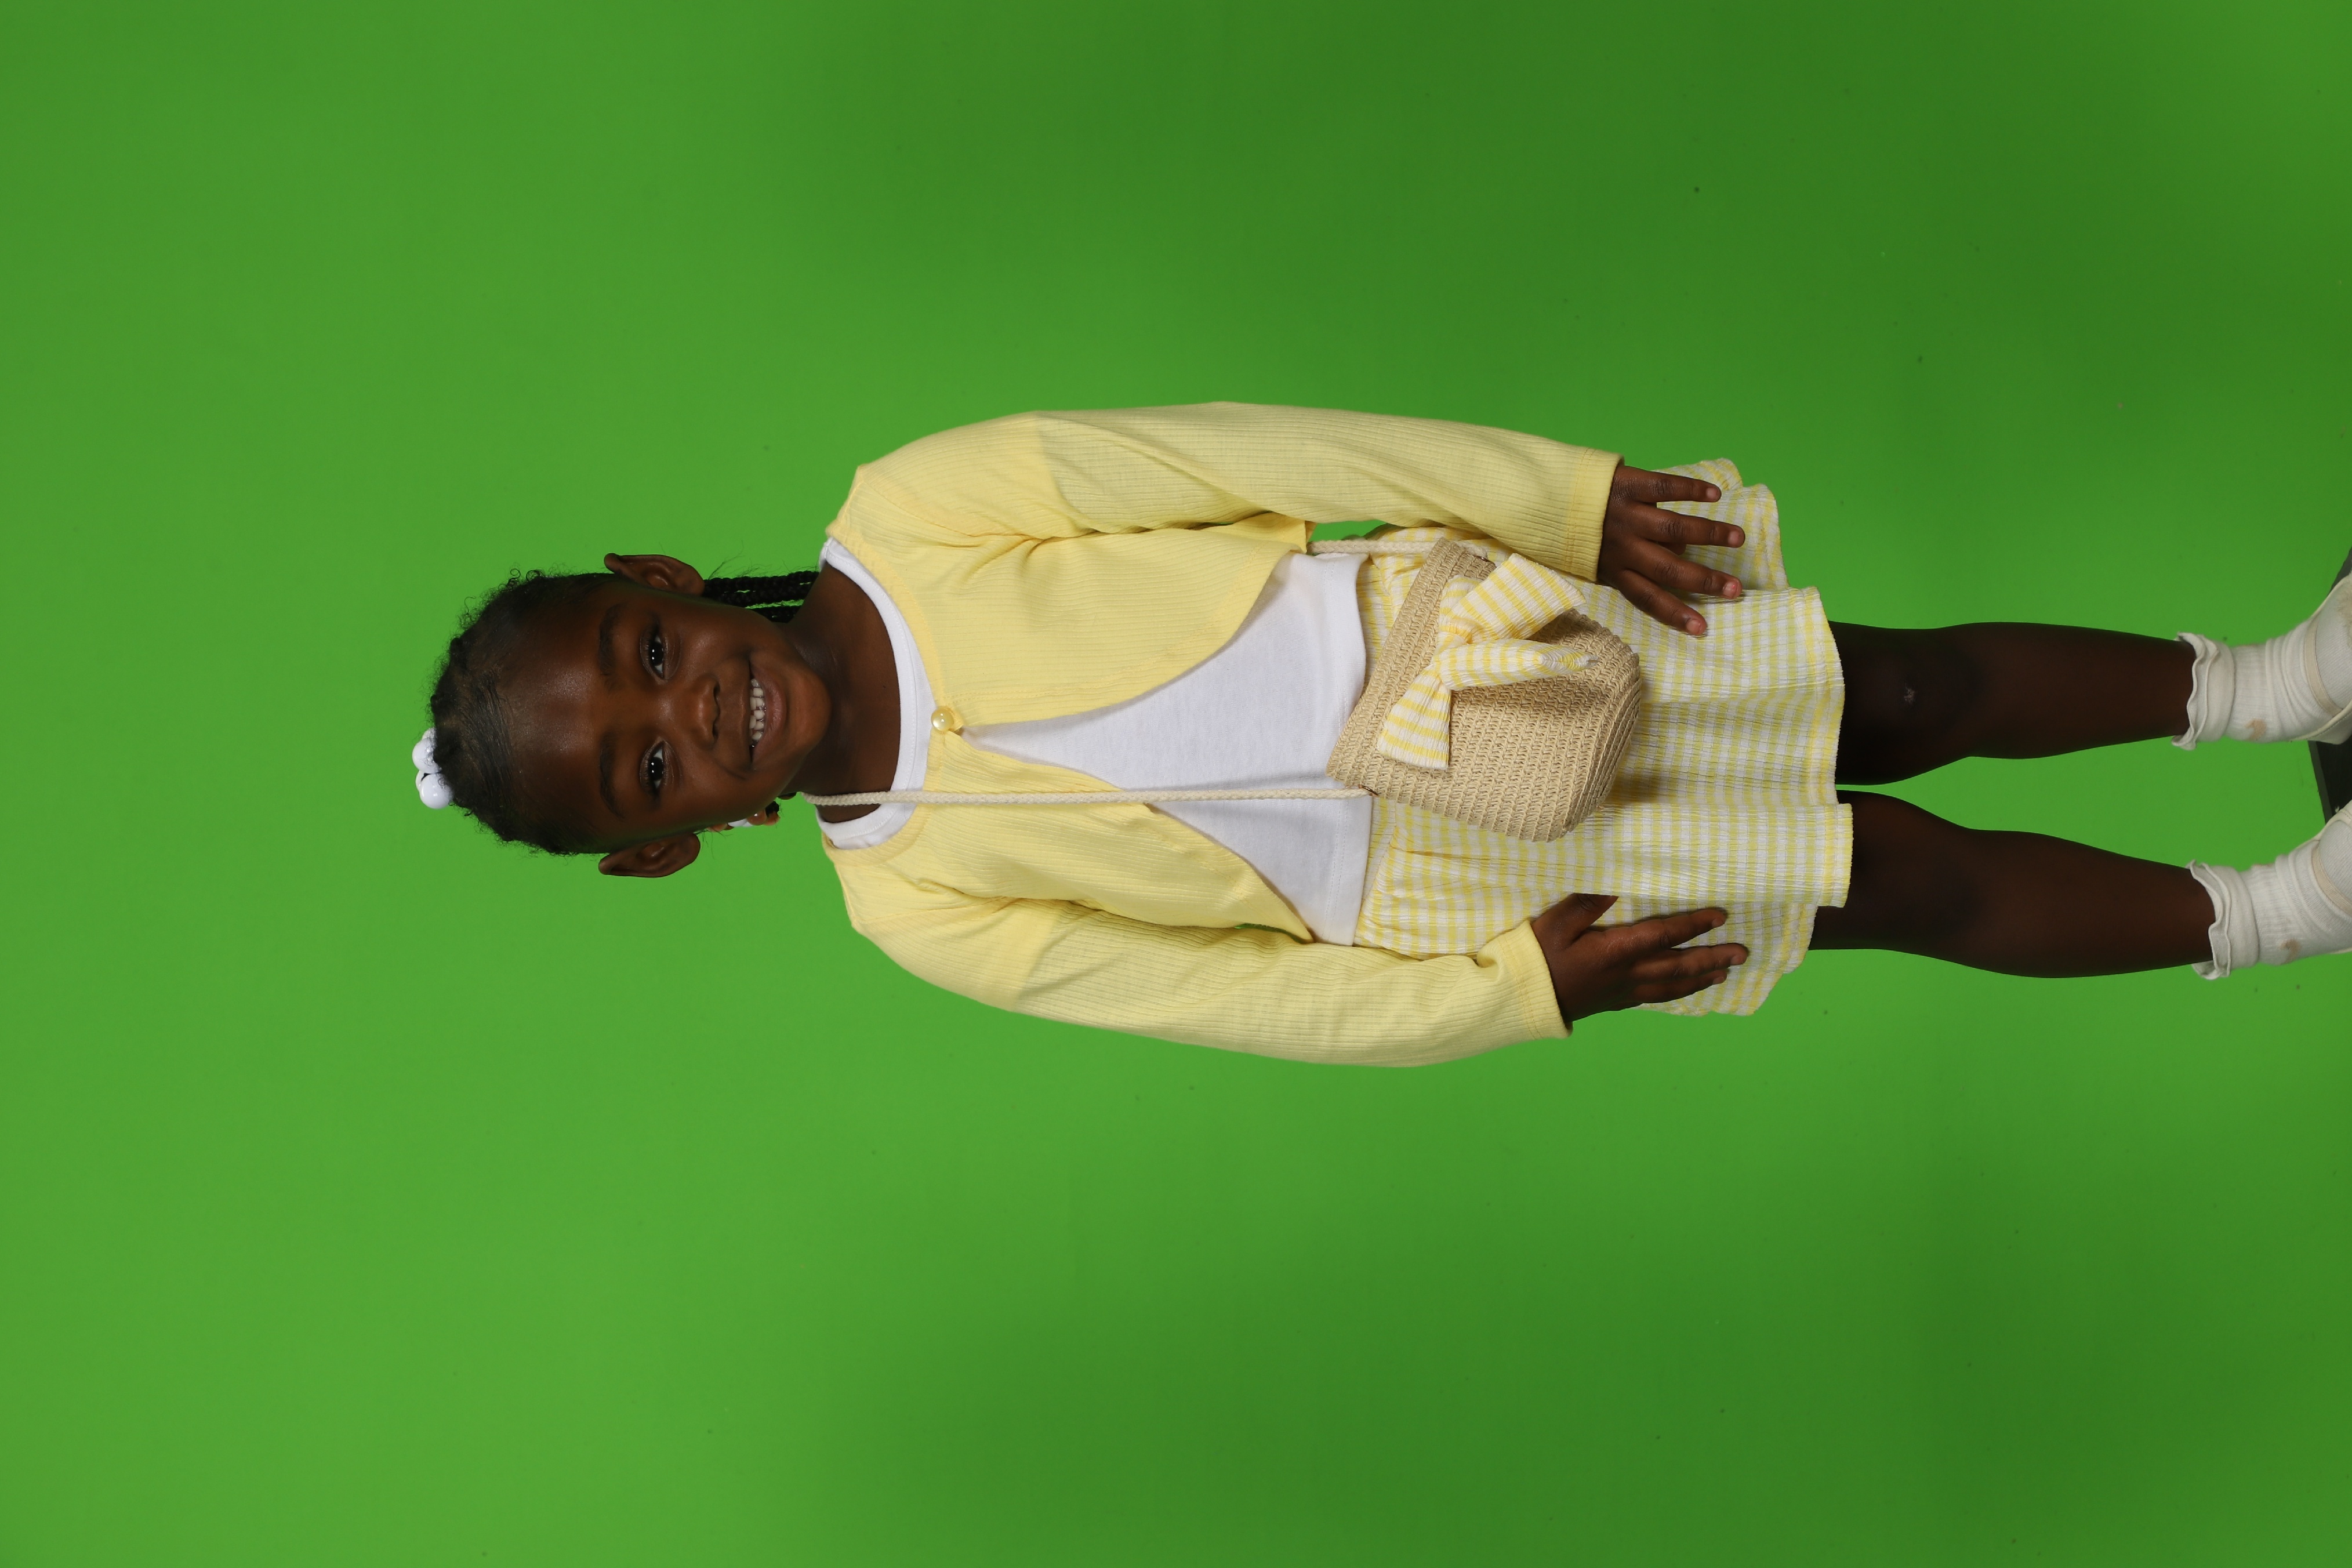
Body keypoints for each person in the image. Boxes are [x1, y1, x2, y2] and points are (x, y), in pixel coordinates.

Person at [411, 404, 2352, 1064]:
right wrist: (1510, 994)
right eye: (649, 765)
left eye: (649, 653)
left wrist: (1553, 500)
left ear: (659, 577)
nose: (694, 708)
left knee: (1899, 690)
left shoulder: (913, 510)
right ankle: (2276, 912)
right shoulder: (914, 907)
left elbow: (1255, 454)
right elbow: (1232, 999)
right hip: (1456, 880)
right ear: (664, 842)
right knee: (1886, 883)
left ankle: (2278, 687)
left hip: (1452, 634)